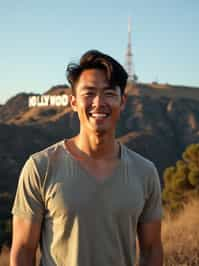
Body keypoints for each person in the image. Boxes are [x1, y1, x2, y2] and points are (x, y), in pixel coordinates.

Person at [10, 50, 163, 266]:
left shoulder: (145, 172)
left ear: (123, 101)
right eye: (89, 93)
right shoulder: (40, 167)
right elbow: (23, 250)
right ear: (73, 102)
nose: (98, 102)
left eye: (109, 93)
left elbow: (151, 249)